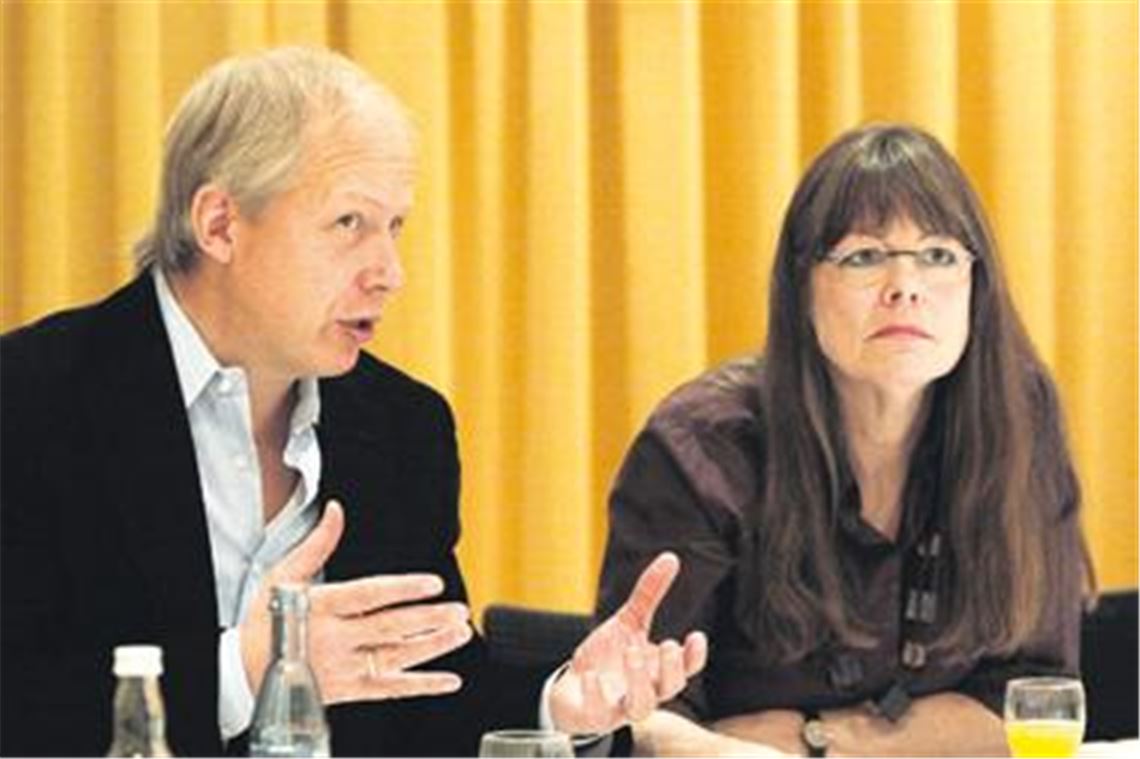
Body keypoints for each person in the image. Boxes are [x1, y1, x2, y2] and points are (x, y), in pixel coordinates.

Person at [0, 47, 707, 757]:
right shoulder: (31, 399)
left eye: (395, 227)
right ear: (219, 224)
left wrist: (559, 707)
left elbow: (425, 703)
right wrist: (242, 671)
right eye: (349, 225)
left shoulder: (402, 425)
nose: (390, 274)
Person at [595, 124, 1095, 756]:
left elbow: (1036, 703)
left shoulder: (1019, 417)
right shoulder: (701, 448)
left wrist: (820, 742)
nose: (905, 285)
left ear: (977, 284)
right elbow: (640, 720)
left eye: (938, 254)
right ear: (801, 289)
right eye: (864, 256)